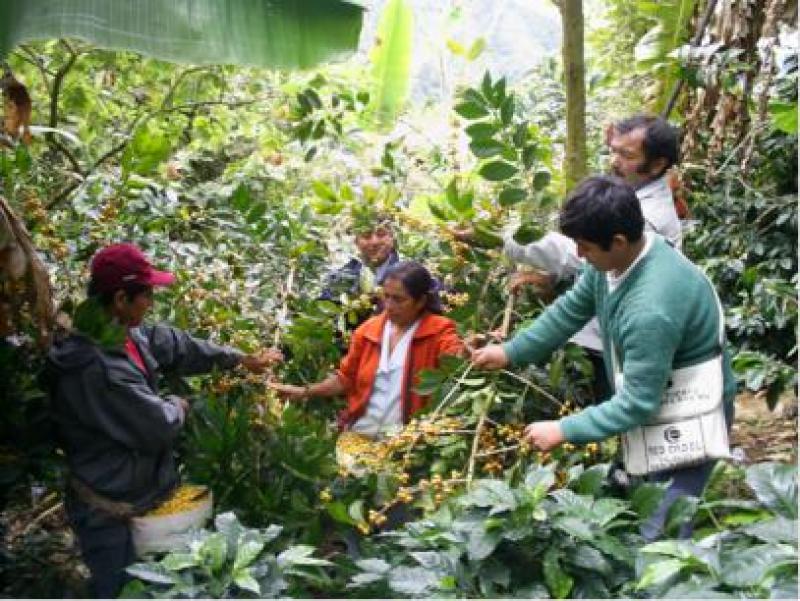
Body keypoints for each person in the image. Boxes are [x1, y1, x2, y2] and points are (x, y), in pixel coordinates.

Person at [472, 176, 735, 541]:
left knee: (662, 531)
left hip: (690, 415)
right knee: (639, 493)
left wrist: (563, 430)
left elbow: (637, 403)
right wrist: (510, 351)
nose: (578, 256)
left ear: (619, 241)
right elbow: (568, 312)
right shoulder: (612, 265)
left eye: (584, 247)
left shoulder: (651, 308)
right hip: (662, 398)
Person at [47, 243, 280, 598]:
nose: (151, 304)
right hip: (110, 510)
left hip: (142, 493)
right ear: (122, 298)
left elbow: (177, 345)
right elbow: (158, 426)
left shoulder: (122, 331)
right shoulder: (96, 366)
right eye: (147, 296)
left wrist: (239, 359)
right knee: (121, 589)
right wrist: (177, 404)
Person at [497, 115, 684, 402]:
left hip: (622, 348)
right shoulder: (629, 204)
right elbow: (571, 308)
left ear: (658, 164)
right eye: (614, 150)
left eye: (626, 154)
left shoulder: (647, 225)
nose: (614, 161)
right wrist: (508, 352)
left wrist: (506, 240)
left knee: (624, 414)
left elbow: (577, 256)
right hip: (606, 339)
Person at [273, 261, 464, 438]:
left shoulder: (438, 331)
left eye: (399, 299)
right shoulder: (368, 331)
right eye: (386, 296)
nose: (389, 306)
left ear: (421, 301)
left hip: (408, 442)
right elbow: (345, 379)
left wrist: (472, 351)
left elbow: (456, 358)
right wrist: (304, 392)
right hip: (360, 438)